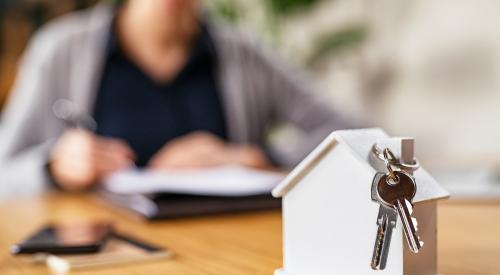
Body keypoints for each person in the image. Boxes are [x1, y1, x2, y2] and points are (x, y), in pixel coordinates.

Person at [0, 0, 353, 193]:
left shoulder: (245, 54)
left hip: (226, 249)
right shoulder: (60, 50)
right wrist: (52, 167)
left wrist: (253, 156)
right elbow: (5, 172)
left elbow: (352, 137)